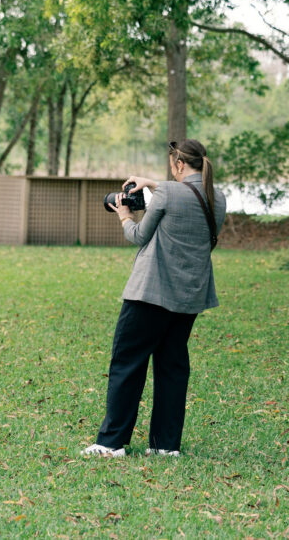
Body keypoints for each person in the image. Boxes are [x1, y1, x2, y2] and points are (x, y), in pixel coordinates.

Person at [81, 139, 226, 457]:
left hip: (150, 293)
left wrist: (123, 214)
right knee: (172, 367)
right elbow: (184, 195)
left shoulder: (167, 193)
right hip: (189, 295)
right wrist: (151, 183)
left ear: (178, 164)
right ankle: (165, 446)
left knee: (127, 363)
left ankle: (110, 443)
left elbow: (138, 236)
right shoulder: (218, 197)